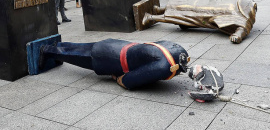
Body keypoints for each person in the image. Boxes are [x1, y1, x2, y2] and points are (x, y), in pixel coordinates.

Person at [39, 39, 189, 90]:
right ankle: (49, 51)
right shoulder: (165, 66)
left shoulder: (175, 49)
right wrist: (120, 79)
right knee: (81, 56)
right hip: (112, 57)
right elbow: (131, 80)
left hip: (118, 45)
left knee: (84, 46)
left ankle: (60, 44)